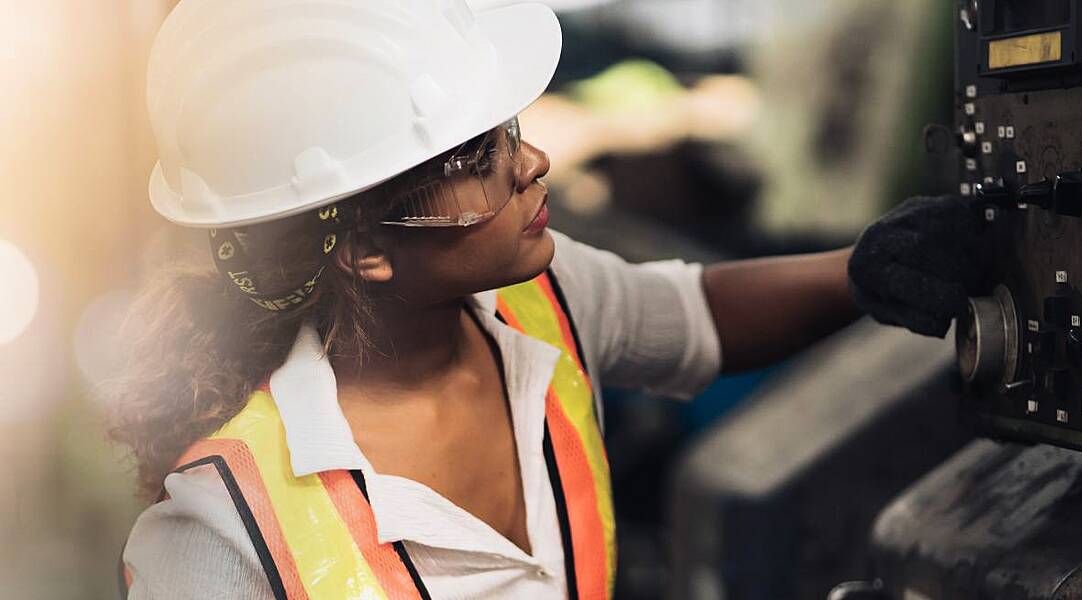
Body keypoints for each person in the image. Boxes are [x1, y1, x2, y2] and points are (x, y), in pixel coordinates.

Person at [112, 1, 987, 598]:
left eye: (509, 132)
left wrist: (862, 272)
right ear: (367, 250)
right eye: (472, 158)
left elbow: (696, 316)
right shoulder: (221, 536)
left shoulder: (544, 308)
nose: (529, 163)